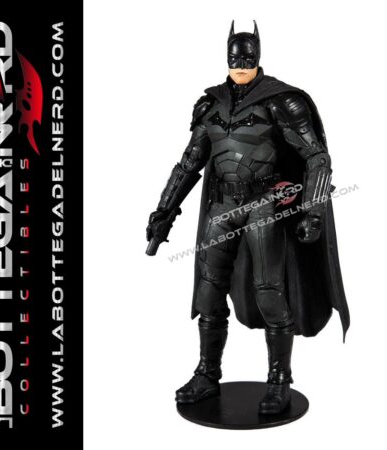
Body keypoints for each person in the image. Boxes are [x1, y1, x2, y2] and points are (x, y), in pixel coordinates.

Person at [146, 21, 349, 414]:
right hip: (221, 207)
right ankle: (207, 374)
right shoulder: (210, 103)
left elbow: (316, 158)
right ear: (226, 56)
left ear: (258, 56)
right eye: (235, 58)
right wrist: (164, 210)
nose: (241, 65)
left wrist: (313, 210)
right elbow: (189, 163)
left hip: (264, 206)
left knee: (270, 291)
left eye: (247, 58)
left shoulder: (282, 101)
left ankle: (279, 380)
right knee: (208, 293)